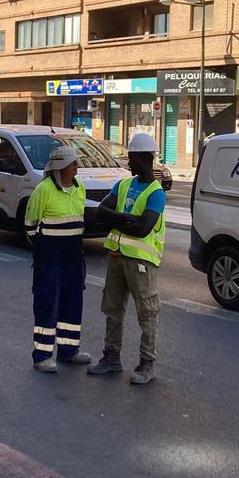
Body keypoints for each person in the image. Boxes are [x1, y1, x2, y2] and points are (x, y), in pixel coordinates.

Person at [87, 133, 166, 385]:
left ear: (144, 158)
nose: (127, 162)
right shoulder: (123, 184)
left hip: (141, 262)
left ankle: (146, 363)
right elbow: (101, 212)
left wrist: (116, 218)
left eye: (131, 157)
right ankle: (111, 358)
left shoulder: (156, 193)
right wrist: (125, 218)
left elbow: (143, 228)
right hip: (116, 255)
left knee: (147, 313)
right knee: (112, 310)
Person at [24, 145, 91, 372]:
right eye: (73, 163)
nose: (76, 167)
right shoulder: (44, 190)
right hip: (50, 259)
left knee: (73, 303)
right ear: (60, 166)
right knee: (47, 304)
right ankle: (42, 356)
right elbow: (30, 225)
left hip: (73, 257)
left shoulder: (80, 188)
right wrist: (45, 248)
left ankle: (69, 351)